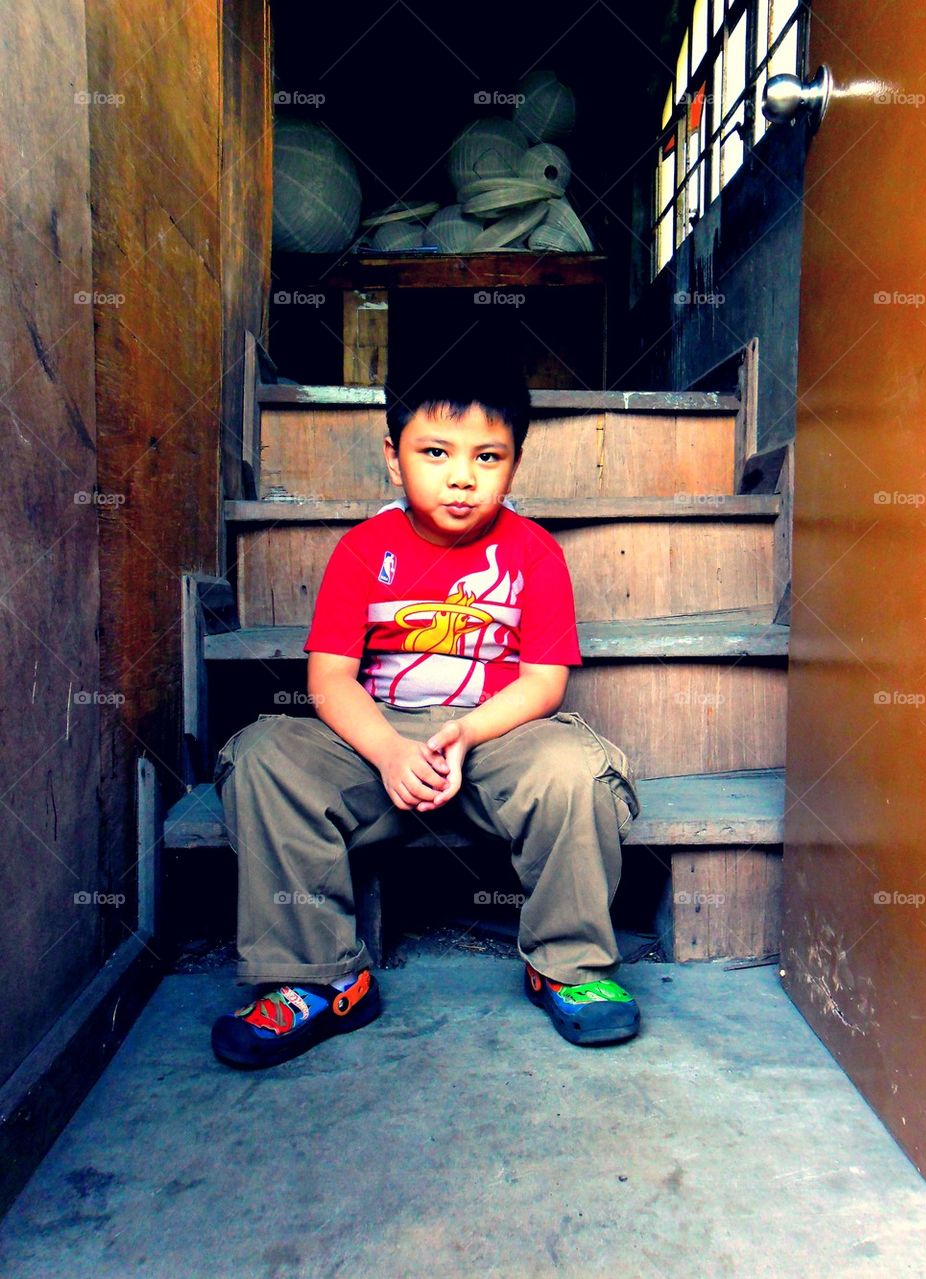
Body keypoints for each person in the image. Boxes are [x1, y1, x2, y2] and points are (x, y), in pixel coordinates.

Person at [210, 336, 640, 1069]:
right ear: (392, 454)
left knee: (575, 766)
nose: (462, 479)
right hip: (381, 740)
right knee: (261, 756)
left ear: (515, 463)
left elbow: (543, 681)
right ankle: (319, 979)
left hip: (496, 739)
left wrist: (465, 735)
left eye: (488, 457)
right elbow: (330, 680)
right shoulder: (361, 551)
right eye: (436, 453)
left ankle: (569, 964)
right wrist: (387, 750)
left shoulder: (535, 553)